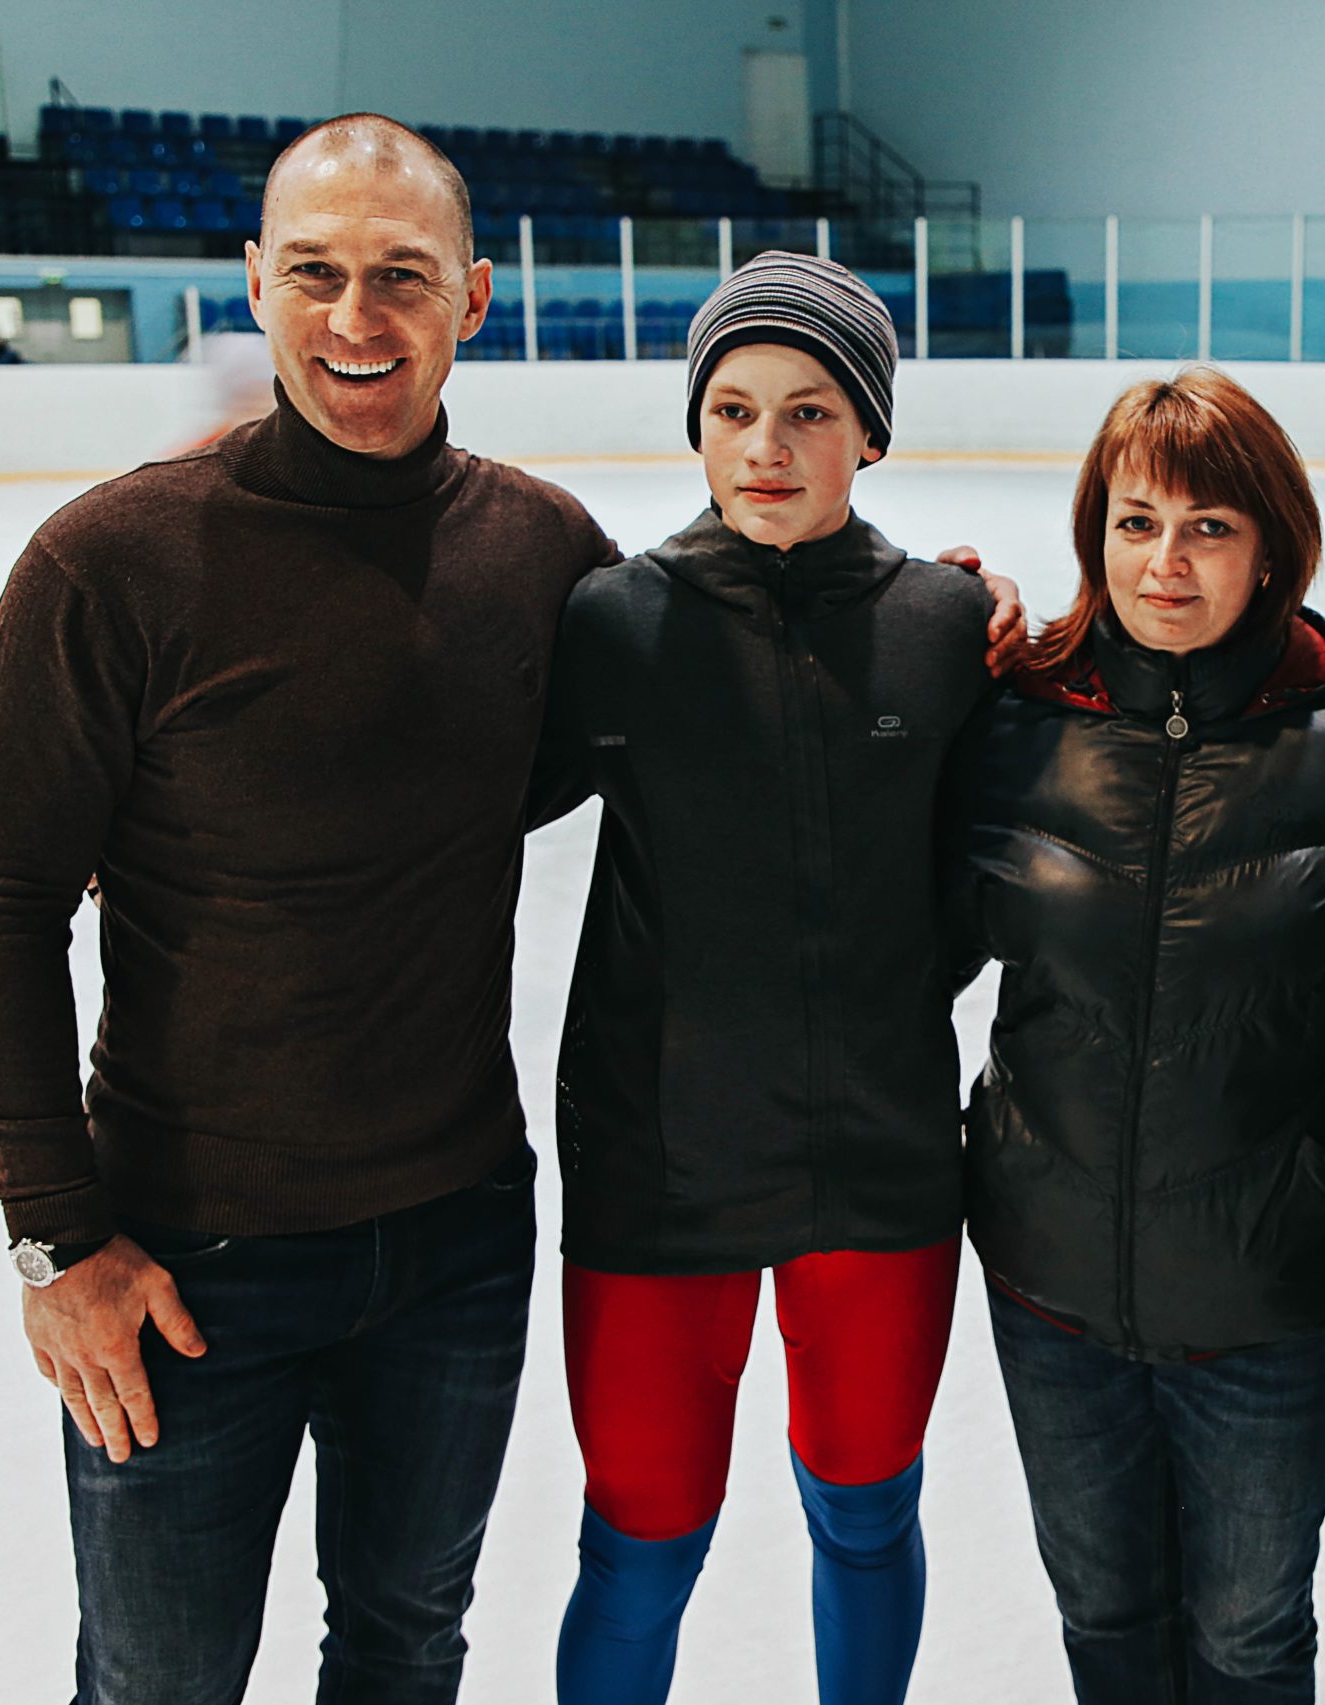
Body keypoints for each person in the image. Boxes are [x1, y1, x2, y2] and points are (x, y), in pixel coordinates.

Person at [0, 113, 623, 1704]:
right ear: (255, 283)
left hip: (455, 1237)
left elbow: (662, 722)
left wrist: (943, 621)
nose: (354, 317)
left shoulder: (538, 549)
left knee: (405, 1648)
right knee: (162, 1679)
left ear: (476, 297)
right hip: (182, 1258)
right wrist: (58, 1241)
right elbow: (1, 910)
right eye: (314, 271)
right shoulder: (111, 562)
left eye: (403, 274)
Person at [531, 253, 1010, 1705]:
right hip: (658, 1166)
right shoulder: (614, 623)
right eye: (733, 409)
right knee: (640, 1538)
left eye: (810, 411)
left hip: (881, 1163)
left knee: (865, 1514)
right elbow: (436, 800)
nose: (766, 446)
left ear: (871, 432)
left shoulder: (945, 628)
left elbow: (990, 866)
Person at [941, 368, 1325, 1702]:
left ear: (1271, 548)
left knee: (1247, 1638)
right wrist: (917, 619)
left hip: (1269, 1307)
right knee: (1105, 1618)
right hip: (1051, 1291)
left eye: (1209, 527)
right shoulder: (1014, 731)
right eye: (1137, 523)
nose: (1167, 562)